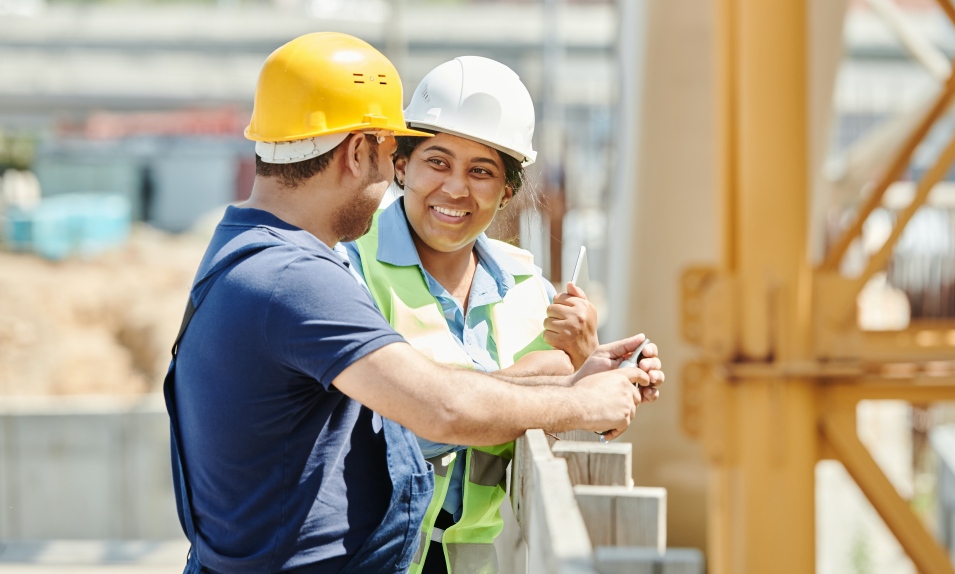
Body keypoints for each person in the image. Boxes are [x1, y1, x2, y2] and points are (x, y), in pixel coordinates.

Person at [165, 32, 663, 574]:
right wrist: (579, 402)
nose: (389, 179)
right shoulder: (297, 278)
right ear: (360, 152)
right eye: (391, 154)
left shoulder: (254, 253)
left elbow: (429, 395)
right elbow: (438, 407)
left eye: (481, 170)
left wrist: (572, 378)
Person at [341, 56, 608, 574]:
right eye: (437, 162)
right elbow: (381, 422)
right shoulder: (351, 266)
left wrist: (587, 361)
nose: (456, 188)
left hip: (472, 559)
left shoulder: (531, 290)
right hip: (369, 552)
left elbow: (560, 428)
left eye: (481, 171)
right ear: (402, 165)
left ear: (507, 190)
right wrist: (527, 382)